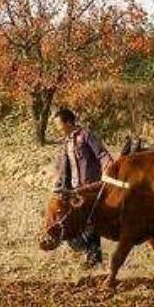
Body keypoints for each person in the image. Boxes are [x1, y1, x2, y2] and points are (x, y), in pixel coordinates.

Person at [53, 107, 114, 266]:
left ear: (68, 122)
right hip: (74, 189)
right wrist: (59, 186)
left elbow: (102, 154)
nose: (57, 128)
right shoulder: (66, 142)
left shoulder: (85, 135)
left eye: (59, 124)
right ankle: (91, 253)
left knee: (90, 222)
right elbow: (62, 168)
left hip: (90, 186)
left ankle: (94, 258)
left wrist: (109, 171)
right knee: (73, 222)